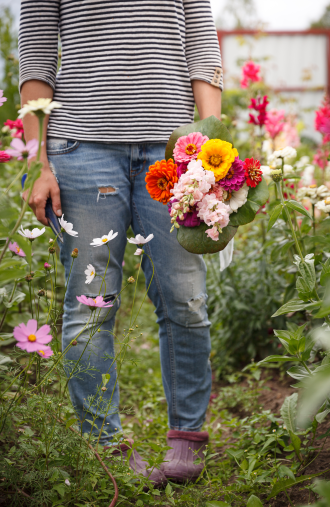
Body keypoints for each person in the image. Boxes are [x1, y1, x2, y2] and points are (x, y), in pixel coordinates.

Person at [19, 0, 223, 486]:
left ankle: (187, 437)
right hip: (80, 152)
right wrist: (38, 166)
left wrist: (212, 148)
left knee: (185, 298)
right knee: (92, 304)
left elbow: (201, 47)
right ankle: (104, 446)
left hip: (176, 153)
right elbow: (37, 58)